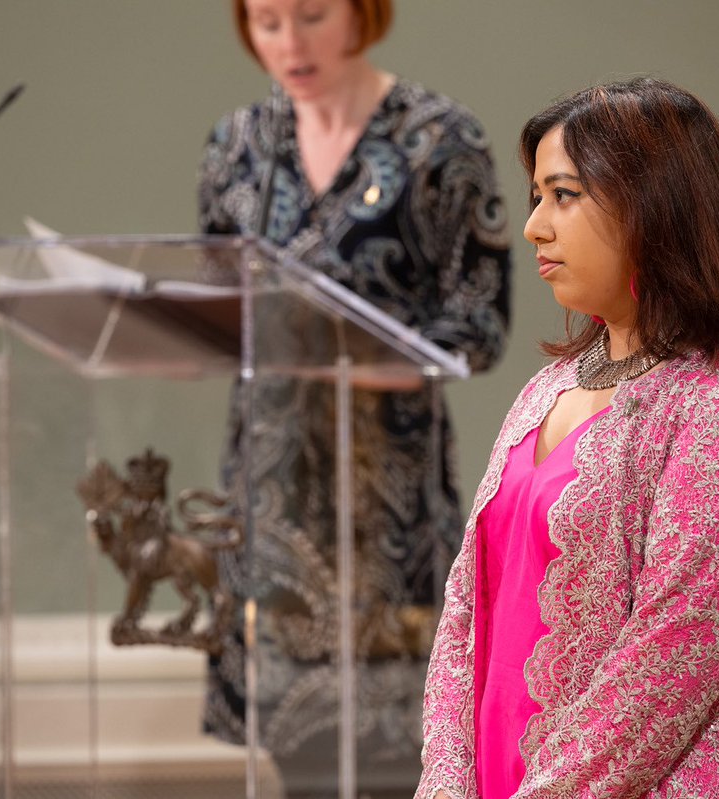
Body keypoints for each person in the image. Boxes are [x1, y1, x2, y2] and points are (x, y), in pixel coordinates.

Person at [417, 77, 719, 798]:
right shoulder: (547, 389)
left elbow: (671, 657)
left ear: (652, 206)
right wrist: (445, 782)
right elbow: (464, 614)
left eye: (562, 195)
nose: (535, 225)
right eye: (538, 196)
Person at [196, 0, 512, 780]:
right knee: (296, 756)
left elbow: (480, 323)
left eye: (311, 15)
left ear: (361, 12)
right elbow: (218, 304)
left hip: (387, 499)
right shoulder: (236, 146)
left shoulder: (441, 140)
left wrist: (355, 357)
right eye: (267, 21)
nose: (289, 43)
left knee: (396, 754)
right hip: (271, 492)